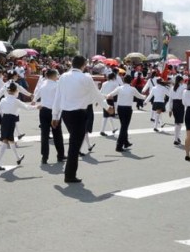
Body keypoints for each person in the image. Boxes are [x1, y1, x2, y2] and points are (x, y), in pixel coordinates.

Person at [51, 56, 112, 184]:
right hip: (79, 114)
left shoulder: (63, 77)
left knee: (74, 142)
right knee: (74, 145)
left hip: (66, 114)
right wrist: (107, 107)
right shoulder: (86, 77)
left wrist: (55, 116)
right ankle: (69, 175)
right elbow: (97, 94)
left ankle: (70, 174)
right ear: (84, 65)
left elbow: (58, 96)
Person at [0, 83, 38, 171]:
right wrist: (37, 107)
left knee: (10, 140)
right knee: (6, 140)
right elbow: (27, 107)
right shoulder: (16, 101)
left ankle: (17, 158)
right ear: (16, 91)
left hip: (4, 119)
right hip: (11, 120)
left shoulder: (3, 100)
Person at [106, 75, 146, 153]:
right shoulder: (132, 89)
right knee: (124, 127)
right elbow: (140, 96)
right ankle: (119, 145)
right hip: (127, 109)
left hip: (120, 108)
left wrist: (106, 96)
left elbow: (110, 95)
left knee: (124, 126)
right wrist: (145, 97)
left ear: (123, 80)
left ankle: (126, 142)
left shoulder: (119, 88)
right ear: (131, 81)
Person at [33, 69, 65, 164]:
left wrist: (34, 100)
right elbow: (60, 100)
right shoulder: (57, 85)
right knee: (57, 134)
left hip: (43, 110)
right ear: (53, 76)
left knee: (44, 134)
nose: (57, 77)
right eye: (57, 75)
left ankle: (44, 157)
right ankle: (60, 155)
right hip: (53, 111)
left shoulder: (43, 83)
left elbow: (37, 93)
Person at [167, 74, 187, 146]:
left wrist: (170, 109)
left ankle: (177, 137)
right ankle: (176, 138)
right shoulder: (183, 87)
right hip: (180, 104)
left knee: (177, 122)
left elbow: (170, 99)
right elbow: (185, 97)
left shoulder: (172, 88)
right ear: (181, 80)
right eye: (182, 80)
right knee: (179, 122)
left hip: (174, 105)